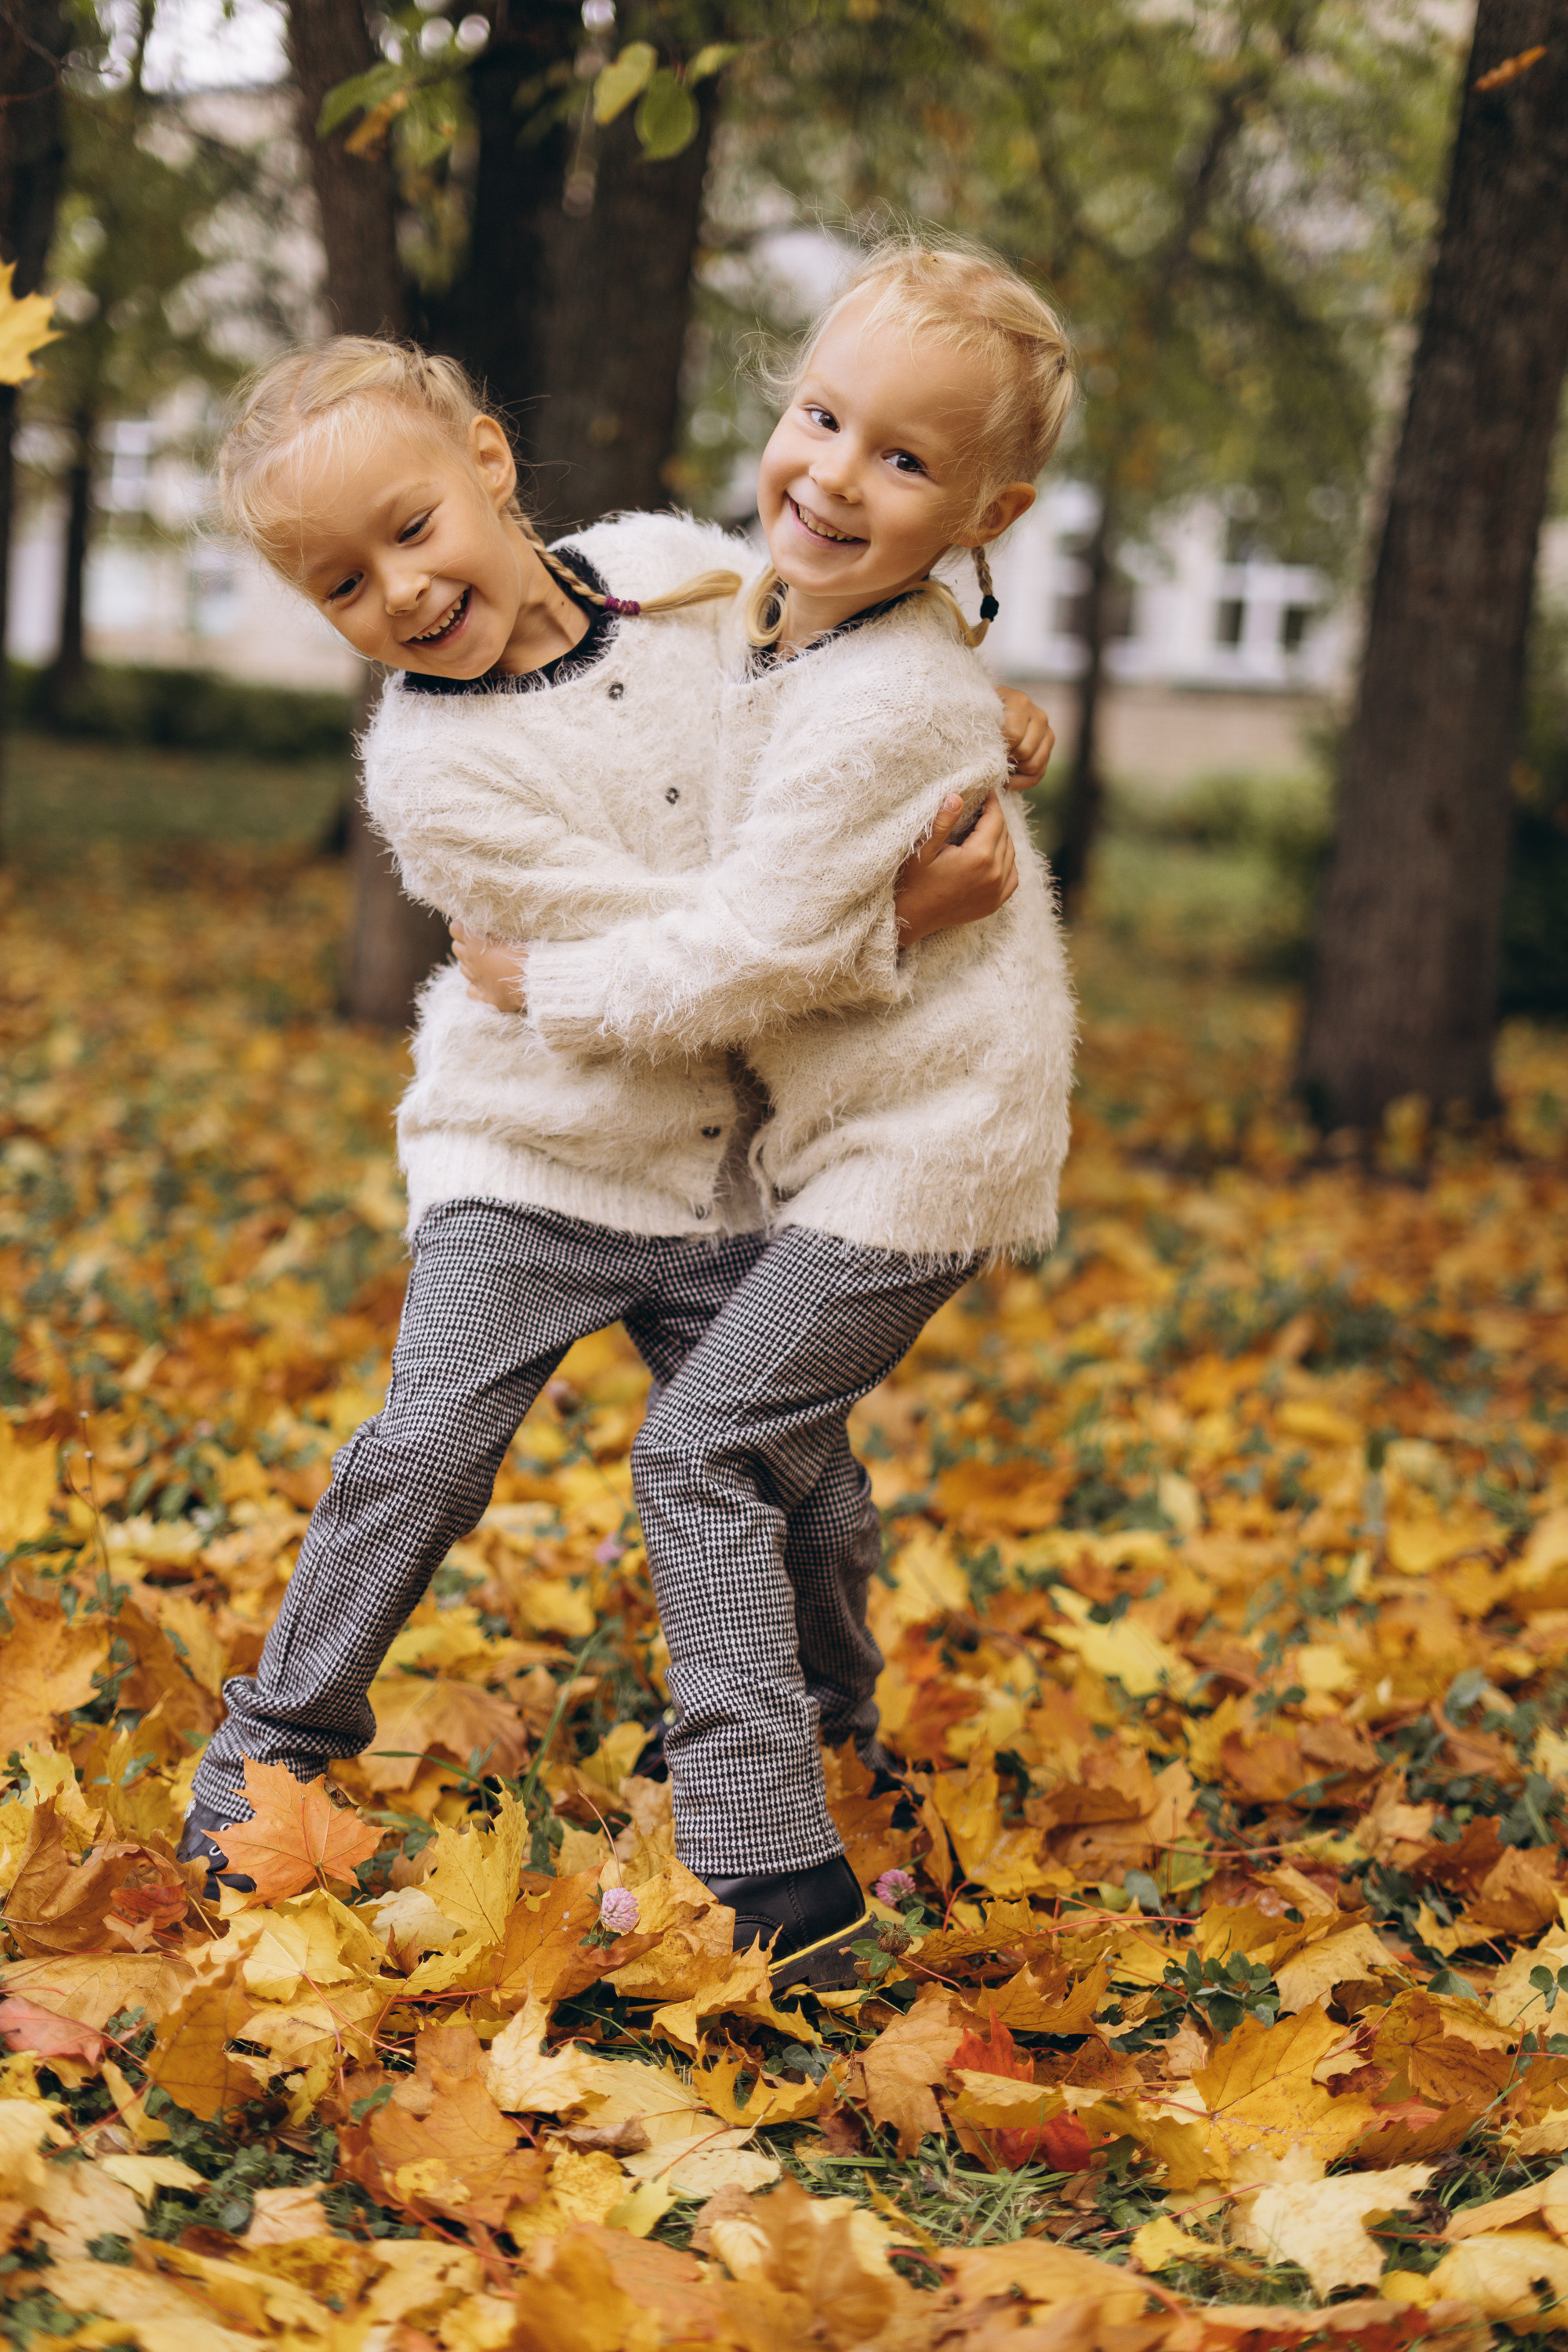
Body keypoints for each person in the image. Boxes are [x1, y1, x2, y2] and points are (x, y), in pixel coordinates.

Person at [176, 328, 1051, 1977]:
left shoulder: (671, 571)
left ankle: (832, 1712)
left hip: (728, 1162)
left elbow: (828, 649)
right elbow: (695, 948)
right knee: (425, 1450)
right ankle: (273, 1745)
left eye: (413, 527)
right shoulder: (429, 768)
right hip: (534, 1150)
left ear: (490, 464)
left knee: (807, 1486)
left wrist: (949, 706)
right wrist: (888, 914)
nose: (403, 593)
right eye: (343, 586)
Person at [455, 236, 1078, 1987]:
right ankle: (836, 1705)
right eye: (821, 415)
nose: (831, 471)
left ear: (988, 510)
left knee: (700, 1446)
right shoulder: (794, 606)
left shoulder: (884, 690)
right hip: (858, 1134)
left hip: (924, 1143)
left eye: (904, 460)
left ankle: (769, 1865)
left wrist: (546, 988)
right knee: (786, 1441)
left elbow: (746, 947)